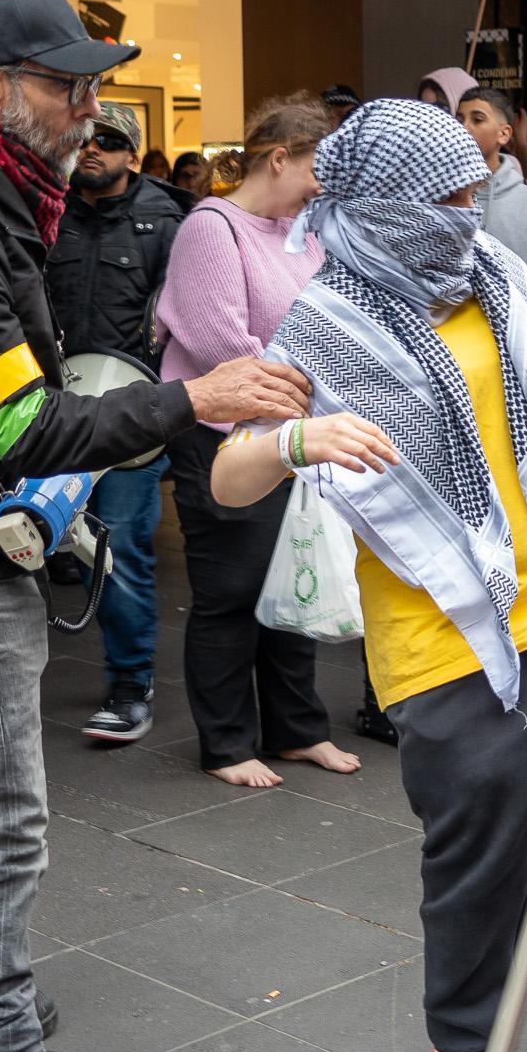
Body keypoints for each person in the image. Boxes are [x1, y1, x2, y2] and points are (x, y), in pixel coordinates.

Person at [0, 0, 308, 1052]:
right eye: (68, 87)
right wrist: (190, 399)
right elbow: (17, 433)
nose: (87, 110)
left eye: (91, 86)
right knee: (2, 816)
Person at [212, 98, 527, 1052]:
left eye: (477, 189)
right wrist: (300, 440)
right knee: (477, 864)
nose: (470, 213)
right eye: (450, 197)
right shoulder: (317, 329)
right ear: (386, 208)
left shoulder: (493, 276)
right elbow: (228, 479)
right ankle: (463, 1047)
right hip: (447, 640)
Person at [158, 93, 357, 788]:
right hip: (223, 436)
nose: (321, 188)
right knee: (231, 589)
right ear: (279, 158)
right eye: (315, 171)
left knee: (293, 583)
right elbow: (222, 345)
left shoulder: (302, 231)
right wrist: (313, 388)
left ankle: (297, 730)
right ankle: (226, 741)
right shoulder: (212, 227)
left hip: (292, 432)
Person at [43, 101, 190, 741]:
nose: (93, 148)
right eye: (86, 138)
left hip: (134, 410)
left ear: (133, 154)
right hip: (56, 408)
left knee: (120, 545)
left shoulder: (173, 218)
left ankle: (131, 683)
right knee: (62, 538)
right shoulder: (44, 209)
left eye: (109, 141)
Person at [457, 85, 527, 308]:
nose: (464, 127)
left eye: (477, 119)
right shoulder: (441, 198)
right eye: (459, 119)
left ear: (504, 134)